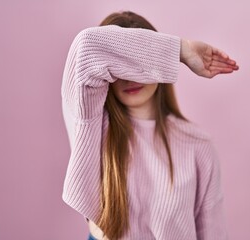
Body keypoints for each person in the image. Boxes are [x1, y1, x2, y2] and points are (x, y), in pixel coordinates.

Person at [61, 11, 239, 240]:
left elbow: (213, 232)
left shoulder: (197, 144)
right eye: (119, 68)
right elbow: (87, 48)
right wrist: (181, 50)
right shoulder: (92, 129)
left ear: (156, 66)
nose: (129, 78)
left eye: (139, 65)